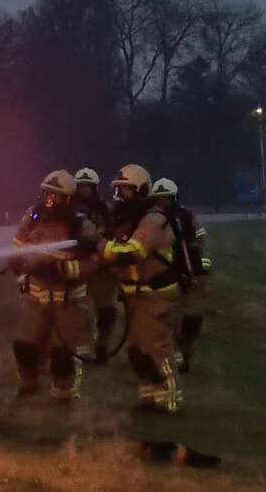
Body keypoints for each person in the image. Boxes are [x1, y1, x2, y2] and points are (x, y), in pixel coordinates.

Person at [9, 170, 100, 400]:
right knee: (25, 347)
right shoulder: (33, 216)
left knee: (63, 354)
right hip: (36, 297)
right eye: (47, 194)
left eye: (56, 195)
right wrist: (19, 265)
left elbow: (95, 261)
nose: (50, 200)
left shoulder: (81, 224)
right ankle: (28, 387)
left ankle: (64, 396)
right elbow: (18, 244)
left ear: (68, 198)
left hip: (67, 300)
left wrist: (66, 270)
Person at [102, 164, 182, 412]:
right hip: (136, 294)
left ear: (141, 191)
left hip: (154, 294)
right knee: (137, 350)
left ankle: (168, 399)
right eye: (117, 191)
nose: (118, 197)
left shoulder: (153, 219)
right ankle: (148, 397)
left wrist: (99, 246)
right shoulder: (130, 220)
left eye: (124, 191)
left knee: (156, 347)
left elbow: (132, 252)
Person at [149, 178, 212, 372]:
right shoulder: (151, 221)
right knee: (168, 319)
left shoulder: (186, 217)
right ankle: (173, 357)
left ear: (174, 198)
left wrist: (202, 264)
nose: (163, 203)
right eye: (158, 199)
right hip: (166, 275)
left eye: (166, 199)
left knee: (192, 318)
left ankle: (185, 349)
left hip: (191, 274)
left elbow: (202, 239)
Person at [73, 168, 117, 363]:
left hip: (103, 266)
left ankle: (102, 344)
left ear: (94, 188)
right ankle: (81, 347)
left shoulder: (105, 209)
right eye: (80, 186)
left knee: (106, 309)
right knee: (78, 309)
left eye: (87, 186)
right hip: (79, 265)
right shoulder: (69, 209)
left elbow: (113, 233)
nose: (83, 190)